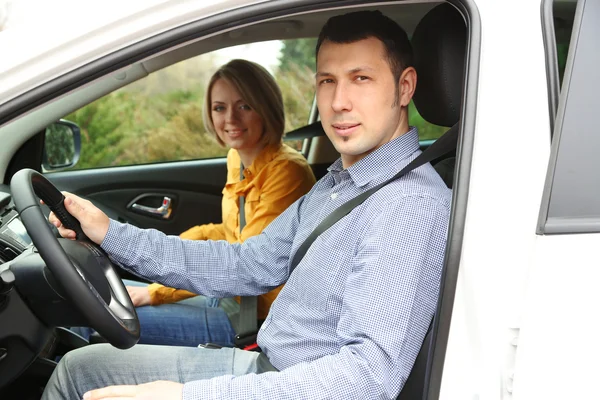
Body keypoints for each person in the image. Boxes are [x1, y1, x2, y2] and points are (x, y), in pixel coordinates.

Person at [43, 10, 451, 400]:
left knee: (78, 373)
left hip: (286, 384)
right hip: (266, 368)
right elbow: (245, 263)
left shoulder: (408, 205)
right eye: (328, 81)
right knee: (80, 369)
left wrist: (189, 396)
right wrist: (109, 233)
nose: (339, 101)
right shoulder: (339, 185)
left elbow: (365, 378)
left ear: (404, 87)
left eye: (361, 78)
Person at [72, 59, 317, 347]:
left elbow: (246, 267)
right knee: (90, 296)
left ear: (267, 107)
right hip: (230, 298)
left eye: (245, 106)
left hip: (258, 320)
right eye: (219, 108)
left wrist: (156, 291)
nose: (230, 120)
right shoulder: (237, 158)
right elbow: (232, 234)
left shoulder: (286, 172)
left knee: (89, 314)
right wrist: (161, 265)